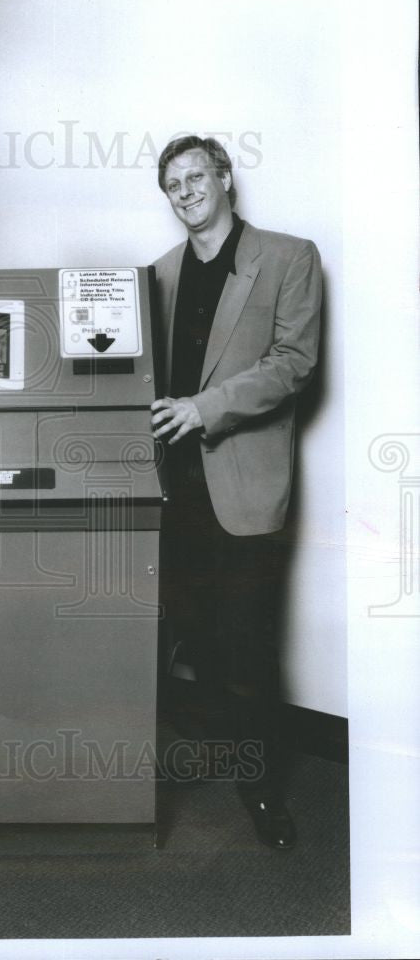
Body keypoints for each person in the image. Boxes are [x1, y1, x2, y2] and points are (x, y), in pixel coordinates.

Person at [151, 136, 322, 849]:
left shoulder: (288, 257)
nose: (185, 190)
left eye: (195, 176)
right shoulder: (157, 274)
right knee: (199, 647)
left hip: (246, 491)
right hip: (174, 495)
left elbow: (292, 364)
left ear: (225, 179)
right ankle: (222, 752)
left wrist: (204, 408)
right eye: (171, 183)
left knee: (250, 651)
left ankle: (261, 793)